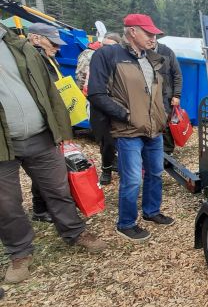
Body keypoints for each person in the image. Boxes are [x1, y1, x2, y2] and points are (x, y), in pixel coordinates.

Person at [0, 23, 107, 284]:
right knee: (6, 202)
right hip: (3, 144)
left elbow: (50, 92)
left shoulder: (19, 46)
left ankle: (74, 232)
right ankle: (20, 252)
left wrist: (62, 131)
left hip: (40, 135)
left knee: (58, 188)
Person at [88, 14, 174, 242]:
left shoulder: (152, 59)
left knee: (155, 172)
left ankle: (151, 211)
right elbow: (96, 93)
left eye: (155, 34)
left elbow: (156, 93)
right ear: (132, 31)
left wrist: (162, 115)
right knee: (133, 179)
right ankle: (126, 223)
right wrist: (125, 115)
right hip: (128, 130)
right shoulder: (108, 55)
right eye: (149, 33)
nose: (154, 37)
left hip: (153, 129)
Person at [26, 23, 68, 223]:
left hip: (52, 120)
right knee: (43, 168)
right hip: (40, 125)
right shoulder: (32, 61)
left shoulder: (49, 60)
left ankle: (44, 205)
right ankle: (40, 208)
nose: (58, 48)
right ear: (36, 39)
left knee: (49, 167)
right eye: (54, 44)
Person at [76, 33, 122, 185]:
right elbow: (82, 78)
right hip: (98, 105)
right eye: (104, 45)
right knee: (105, 140)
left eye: (110, 46)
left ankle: (121, 165)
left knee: (121, 139)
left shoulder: (123, 61)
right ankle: (107, 168)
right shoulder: (91, 58)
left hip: (118, 105)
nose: (105, 49)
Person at [151, 38, 182, 155]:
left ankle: (168, 152)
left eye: (152, 37)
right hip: (149, 94)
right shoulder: (142, 51)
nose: (150, 40)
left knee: (167, 123)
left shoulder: (167, 52)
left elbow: (177, 75)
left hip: (166, 95)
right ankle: (154, 150)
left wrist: (176, 95)